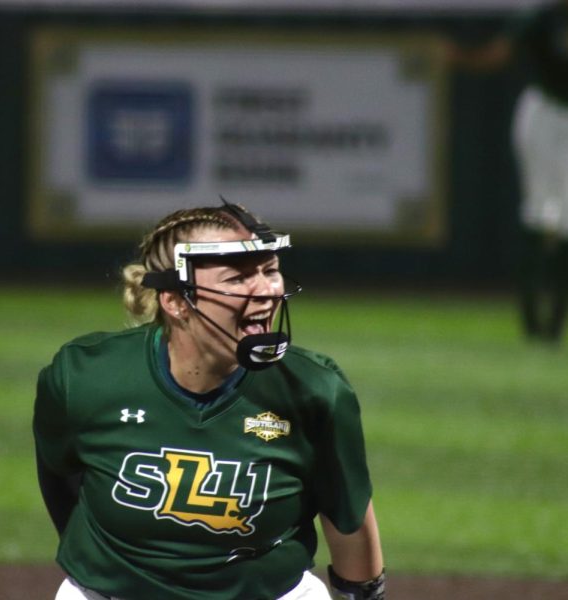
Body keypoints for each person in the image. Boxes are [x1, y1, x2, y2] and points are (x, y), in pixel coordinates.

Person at [33, 199, 384, 600]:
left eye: (270, 270)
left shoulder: (314, 389)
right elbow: (61, 479)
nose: (266, 289)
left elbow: (348, 518)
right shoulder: (85, 376)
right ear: (176, 301)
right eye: (237, 277)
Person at [449, 0, 568, 344]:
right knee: (539, 210)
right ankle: (531, 320)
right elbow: (500, 53)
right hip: (544, 111)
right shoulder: (544, 17)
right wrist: (460, 57)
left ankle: (557, 325)